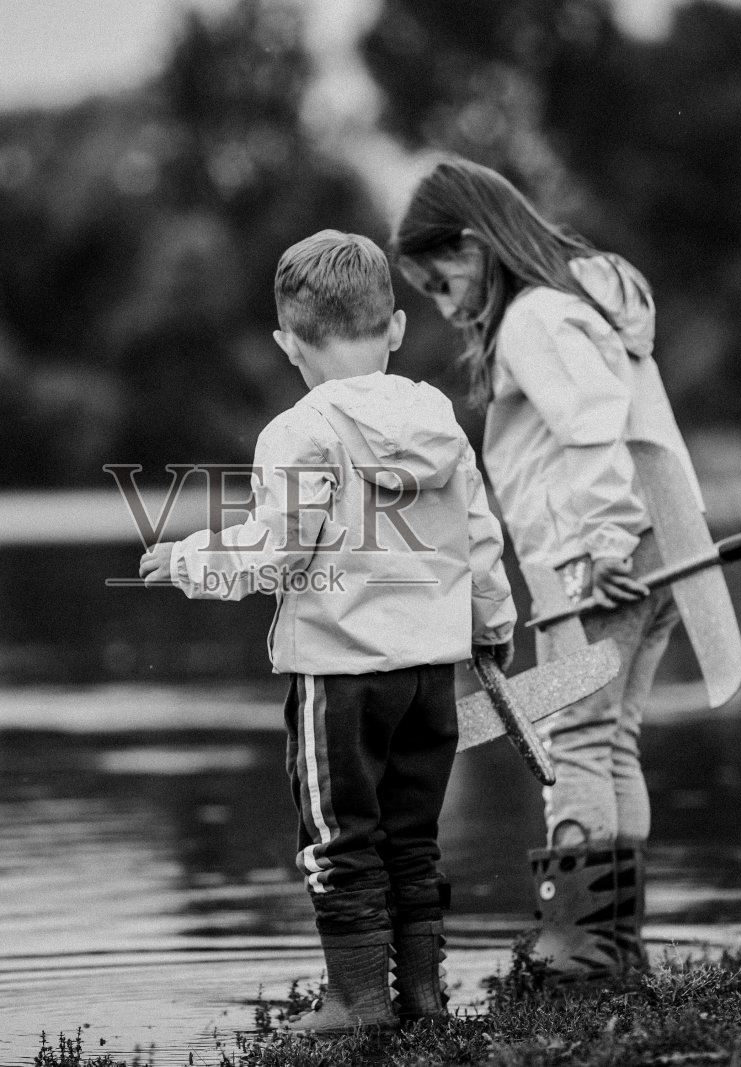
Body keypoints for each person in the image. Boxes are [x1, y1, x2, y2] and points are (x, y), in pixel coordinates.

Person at [139, 230, 516, 1032]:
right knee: (412, 836)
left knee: (338, 837)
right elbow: (479, 534)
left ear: (288, 344)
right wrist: (493, 624)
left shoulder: (298, 431)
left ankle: (356, 1001)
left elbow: (277, 547)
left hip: (339, 678)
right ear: (398, 329)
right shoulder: (439, 419)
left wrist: (191, 559)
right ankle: (420, 998)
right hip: (429, 678)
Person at [392, 157, 702, 983]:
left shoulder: (534, 319)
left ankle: (575, 948)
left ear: (473, 242)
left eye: (441, 280)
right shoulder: (582, 307)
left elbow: (594, 425)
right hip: (658, 544)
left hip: (599, 559)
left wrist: (601, 547)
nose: (447, 303)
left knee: (575, 741)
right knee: (612, 738)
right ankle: (615, 944)